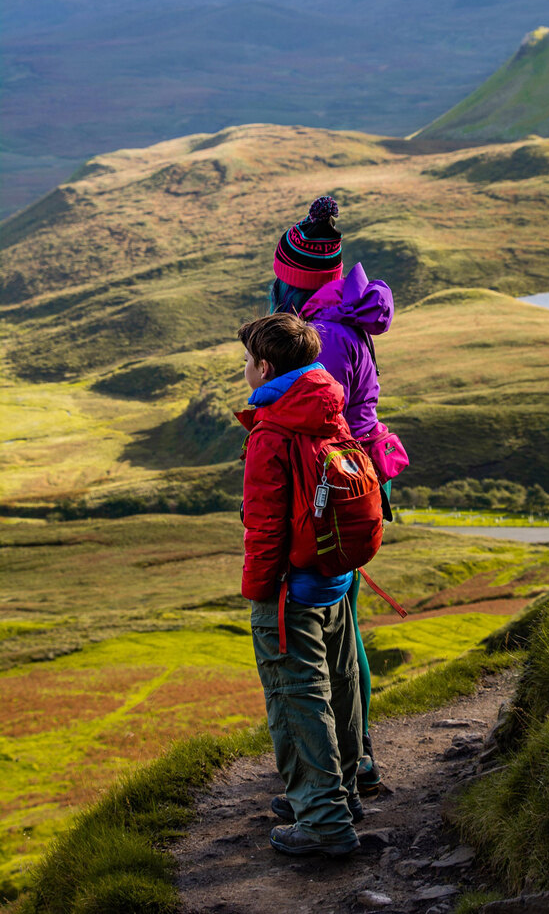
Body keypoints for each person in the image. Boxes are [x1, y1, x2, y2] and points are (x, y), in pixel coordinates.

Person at [271, 195, 394, 793]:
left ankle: (354, 760)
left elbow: (322, 428)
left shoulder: (320, 335)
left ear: (291, 282)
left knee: (334, 630)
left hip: (331, 493)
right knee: (340, 623)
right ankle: (355, 756)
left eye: (278, 277)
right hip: (353, 480)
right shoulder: (343, 317)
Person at [236, 312, 364, 858]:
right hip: (334, 575)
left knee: (297, 696)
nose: (244, 368)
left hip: (290, 588)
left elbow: (265, 525)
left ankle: (323, 821)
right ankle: (341, 793)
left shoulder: (274, 430)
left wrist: (259, 592)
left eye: (247, 360)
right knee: (339, 683)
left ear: (264, 366)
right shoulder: (325, 409)